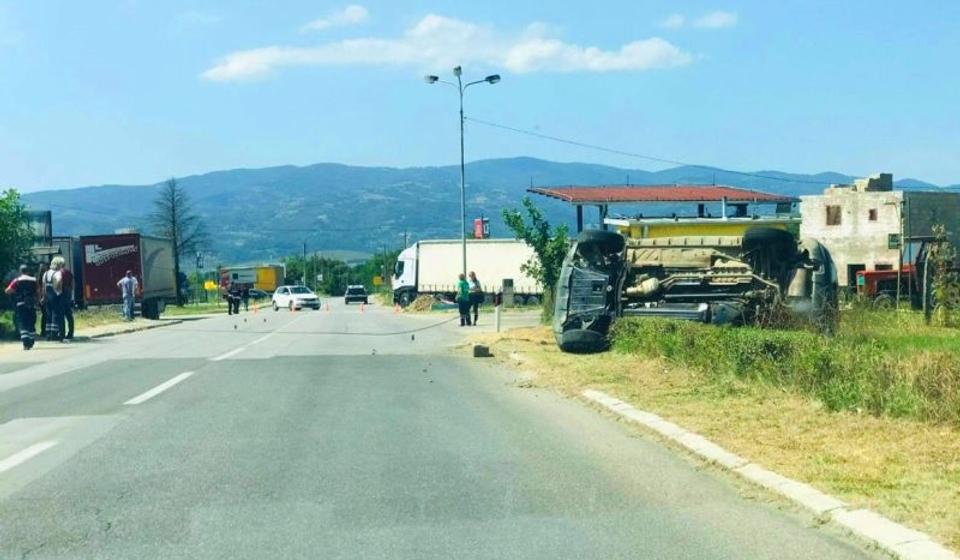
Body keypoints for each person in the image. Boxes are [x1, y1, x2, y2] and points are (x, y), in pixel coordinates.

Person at [5, 265, 38, 350]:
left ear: (20, 271)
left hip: (21, 303)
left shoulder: (16, 280)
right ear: (28, 271)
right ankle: (31, 340)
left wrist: (15, 292)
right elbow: (39, 291)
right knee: (31, 322)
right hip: (31, 304)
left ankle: (25, 342)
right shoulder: (34, 280)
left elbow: (8, 290)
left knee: (23, 322)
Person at [42, 257, 63, 341]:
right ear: (58, 264)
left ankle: (48, 334)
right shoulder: (58, 273)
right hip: (55, 295)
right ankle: (54, 334)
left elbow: (44, 286)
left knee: (48, 314)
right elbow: (59, 280)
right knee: (55, 314)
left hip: (47, 295)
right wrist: (57, 288)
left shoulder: (45, 273)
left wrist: (43, 296)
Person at [59, 257, 75, 340]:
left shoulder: (58, 273)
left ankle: (62, 334)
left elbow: (58, 285)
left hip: (61, 295)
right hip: (68, 294)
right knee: (69, 315)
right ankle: (71, 333)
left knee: (61, 315)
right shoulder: (69, 273)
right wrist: (70, 295)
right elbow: (72, 285)